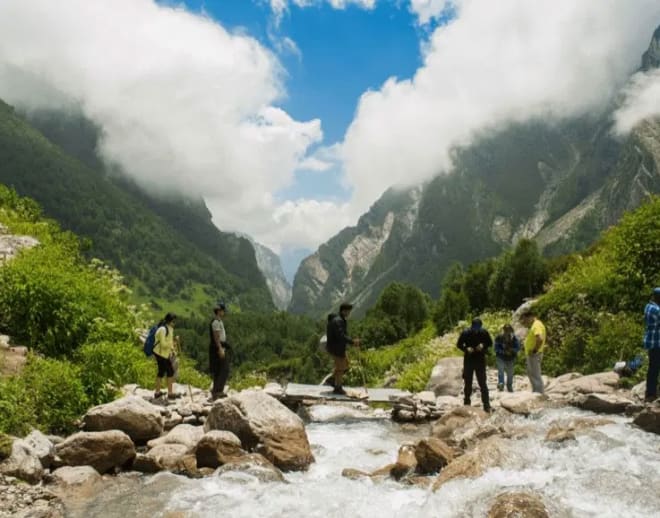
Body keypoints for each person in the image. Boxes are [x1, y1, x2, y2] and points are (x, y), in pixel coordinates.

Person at [456, 318, 492, 412]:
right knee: (468, 382)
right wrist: (466, 348)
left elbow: (490, 343)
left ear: (480, 327)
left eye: (478, 328)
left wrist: (483, 345)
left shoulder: (484, 332)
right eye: (474, 328)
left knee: (483, 383)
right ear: (471, 326)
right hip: (469, 360)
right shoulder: (465, 332)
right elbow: (459, 344)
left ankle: (486, 405)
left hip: (480, 359)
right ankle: (467, 403)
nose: (476, 330)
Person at [326, 302, 360, 395]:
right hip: (336, 348)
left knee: (345, 365)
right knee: (341, 368)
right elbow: (341, 336)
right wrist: (352, 342)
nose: (349, 313)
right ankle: (338, 388)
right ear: (344, 311)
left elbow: (341, 335)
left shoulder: (339, 319)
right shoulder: (338, 321)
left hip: (337, 347)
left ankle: (332, 379)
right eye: (348, 311)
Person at [153, 312, 180, 400]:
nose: (174, 323)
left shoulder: (170, 328)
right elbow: (163, 344)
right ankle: (164, 393)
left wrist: (172, 350)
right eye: (173, 321)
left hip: (165, 354)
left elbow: (169, 342)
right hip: (159, 353)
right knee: (164, 371)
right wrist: (173, 342)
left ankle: (163, 392)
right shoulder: (163, 329)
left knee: (169, 371)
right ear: (170, 321)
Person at [520, 308, 546, 394]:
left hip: (534, 354)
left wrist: (534, 350)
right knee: (532, 374)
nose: (525, 322)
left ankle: (539, 393)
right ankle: (536, 391)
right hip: (533, 354)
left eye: (525, 319)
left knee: (535, 375)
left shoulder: (536, 325)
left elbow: (540, 339)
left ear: (530, 317)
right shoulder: (536, 324)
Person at [209, 303, 231, 400]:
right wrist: (220, 349)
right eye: (223, 310)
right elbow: (216, 336)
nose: (224, 312)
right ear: (219, 311)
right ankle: (218, 391)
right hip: (218, 347)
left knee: (219, 369)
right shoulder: (216, 322)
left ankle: (216, 390)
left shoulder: (218, 321)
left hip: (220, 346)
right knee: (224, 369)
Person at [643, 287, 660, 402]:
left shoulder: (648, 306)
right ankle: (651, 394)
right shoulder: (656, 309)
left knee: (653, 368)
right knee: (654, 368)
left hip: (652, 341)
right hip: (657, 342)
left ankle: (650, 393)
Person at [494, 324, 520, 392]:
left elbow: (518, 348)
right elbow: (496, 348)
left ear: (511, 330)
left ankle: (509, 386)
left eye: (508, 330)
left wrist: (512, 350)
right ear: (503, 330)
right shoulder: (499, 337)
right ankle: (501, 384)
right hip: (500, 357)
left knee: (510, 373)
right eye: (506, 330)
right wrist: (503, 352)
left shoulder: (514, 338)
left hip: (510, 358)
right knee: (501, 371)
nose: (507, 332)